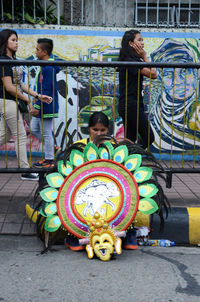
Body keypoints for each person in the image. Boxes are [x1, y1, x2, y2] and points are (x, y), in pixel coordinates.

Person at [0, 29, 52, 181]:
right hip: (7, 102)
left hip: (11, 102)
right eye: (13, 40)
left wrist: (37, 95)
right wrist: (27, 100)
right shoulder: (3, 60)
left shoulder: (12, 60)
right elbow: (9, 87)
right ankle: (25, 170)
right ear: (5, 42)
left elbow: (19, 84)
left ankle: (24, 169)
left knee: (5, 135)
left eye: (17, 40)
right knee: (20, 135)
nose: (16, 43)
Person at [118, 29, 157, 150]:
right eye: (139, 40)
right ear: (131, 43)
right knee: (148, 137)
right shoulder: (130, 62)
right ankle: (126, 158)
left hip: (130, 104)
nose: (142, 43)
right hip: (131, 105)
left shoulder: (131, 60)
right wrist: (145, 56)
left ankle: (123, 161)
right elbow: (153, 74)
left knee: (130, 139)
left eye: (142, 40)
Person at [30, 38, 59, 168]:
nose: (36, 52)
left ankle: (49, 159)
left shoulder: (48, 68)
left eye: (38, 50)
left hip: (46, 105)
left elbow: (46, 90)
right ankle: (53, 147)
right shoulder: (46, 66)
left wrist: (37, 106)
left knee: (46, 132)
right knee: (34, 128)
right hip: (42, 104)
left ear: (45, 52)